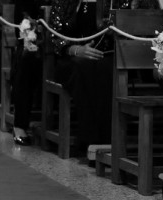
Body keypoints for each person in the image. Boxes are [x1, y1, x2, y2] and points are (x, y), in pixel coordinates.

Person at [49, 0, 114, 151]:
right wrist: (75, 49)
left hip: (104, 56)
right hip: (70, 58)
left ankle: (108, 141)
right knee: (82, 68)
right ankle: (90, 140)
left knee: (106, 69)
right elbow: (54, 34)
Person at [10, 0, 46, 145]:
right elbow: (23, 21)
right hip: (32, 42)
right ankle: (20, 124)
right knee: (28, 60)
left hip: (62, 40)